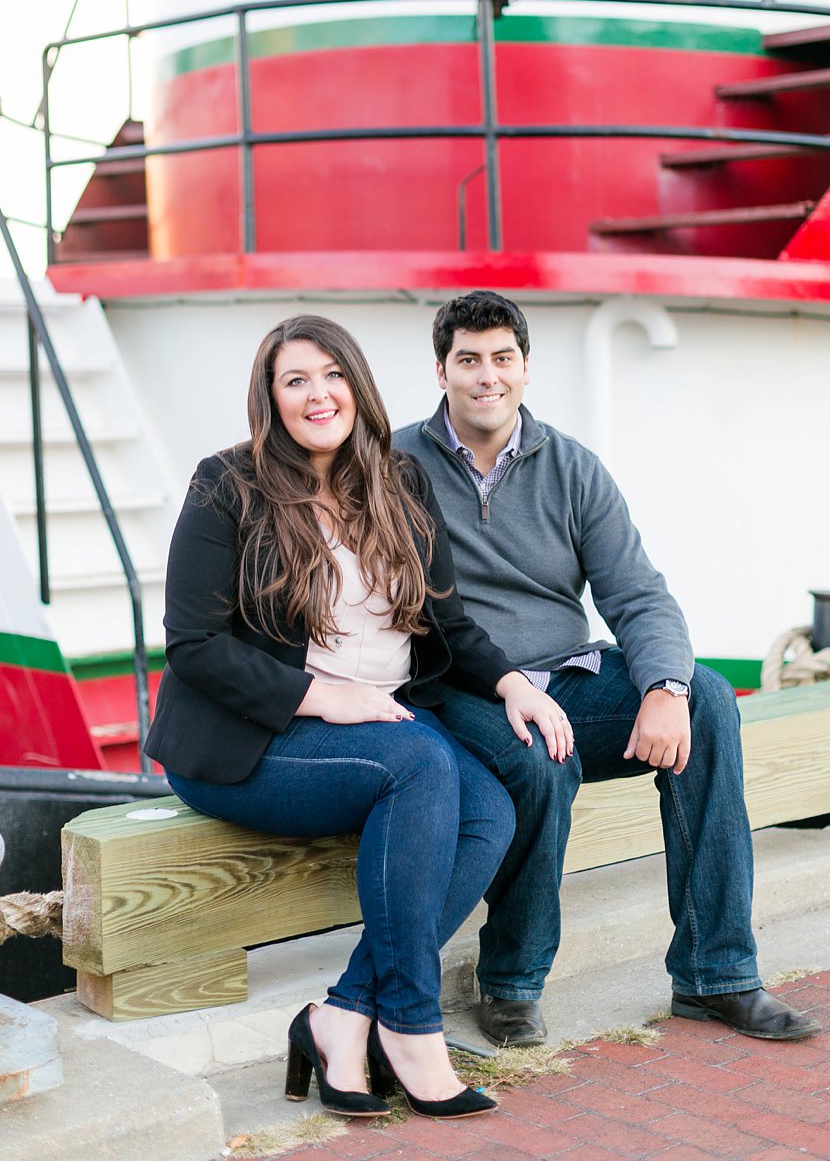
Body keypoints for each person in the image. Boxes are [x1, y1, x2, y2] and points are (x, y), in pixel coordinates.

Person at [147, 314, 574, 1120]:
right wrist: (320, 696)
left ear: (358, 383)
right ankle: (411, 1029)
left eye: (332, 373)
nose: (319, 394)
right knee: (422, 763)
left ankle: (342, 1014)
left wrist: (512, 680)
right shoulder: (227, 483)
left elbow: (445, 621)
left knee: (490, 807)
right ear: (270, 399)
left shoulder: (397, 480)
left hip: (376, 724)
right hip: (254, 738)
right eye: (295, 379)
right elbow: (192, 642)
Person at [395, 291, 821, 1049]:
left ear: (526, 368)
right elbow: (409, 609)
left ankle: (714, 975)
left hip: (567, 673)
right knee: (541, 754)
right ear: (441, 370)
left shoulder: (572, 468)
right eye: (468, 360)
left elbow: (637, 592)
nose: (486, 376)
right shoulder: (396, 467)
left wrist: (664, 687)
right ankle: (512, 983)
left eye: (502, 358)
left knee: (713, 701)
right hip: (461, 684)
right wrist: (507, 686)